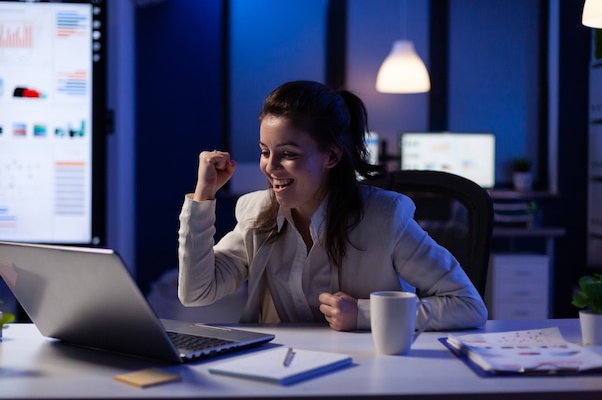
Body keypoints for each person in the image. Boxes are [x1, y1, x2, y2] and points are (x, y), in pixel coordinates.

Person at [178, 80, 487, 331]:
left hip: (364, 375)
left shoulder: (385, 217)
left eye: (289, 154)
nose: (270, 167)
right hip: (279, 373)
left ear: (331, 157)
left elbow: (468, 306)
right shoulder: (257, 213)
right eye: (264, 151)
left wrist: (364, 314)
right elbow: (196, 293)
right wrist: (203, 196)